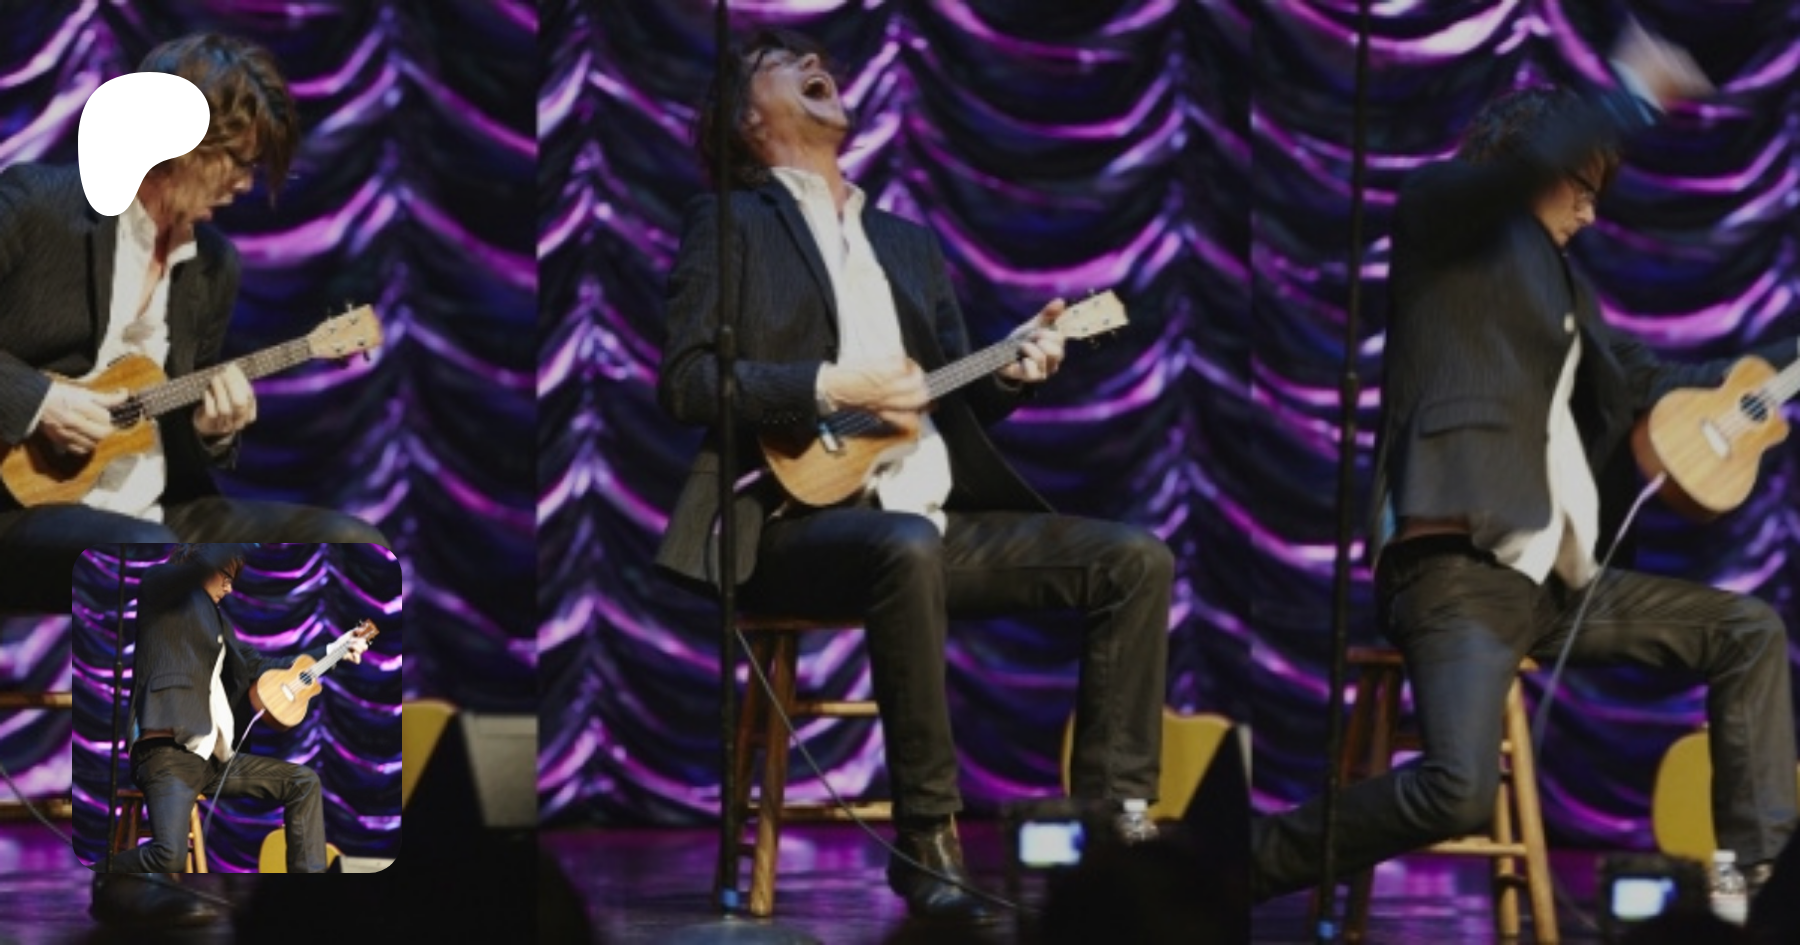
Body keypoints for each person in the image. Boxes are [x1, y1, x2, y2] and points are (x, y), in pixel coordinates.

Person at [1251, 22, 1800, 903]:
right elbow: (1510, 178)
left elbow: (1663, 384)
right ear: (1541, 162)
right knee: (1456, 789)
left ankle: (1758, 873)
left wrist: (1790, 362)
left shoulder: (1570, 292)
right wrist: (1628, 97)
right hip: (1456, 570)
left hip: (1554, 586)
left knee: (1747, 629)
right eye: (1583, 188)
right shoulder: (1443, 210)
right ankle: (1235, 866)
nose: (1590, 214)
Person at [656, 29, 1173, 923]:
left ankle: (1111, 826)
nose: (816, 65)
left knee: (1135, 558)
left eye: (819, 59)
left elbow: (947, 398)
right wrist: (827, 386)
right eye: (782, 63)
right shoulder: (732, 223)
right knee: (902, 547)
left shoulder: (906, 242)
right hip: (788, 525)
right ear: (748, 120)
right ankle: (929, 838)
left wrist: (1013, 369)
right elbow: (689, 382)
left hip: (925, 517)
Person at [0, 33, 385, 614]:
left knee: (352, 549)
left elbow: (163, 425)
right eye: (237, 161)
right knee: (152, 555)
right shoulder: (38, 206)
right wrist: (40, 400)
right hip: (18, 509)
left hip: (158, 508)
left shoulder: (213, 266)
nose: (245, 184)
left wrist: (211, 430)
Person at [89, 544, 369, 927]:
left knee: (302, 782)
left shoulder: (222, 628)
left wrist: (335, 650)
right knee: (169, 854)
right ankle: (107, 874)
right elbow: (185, 570)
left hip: (214, 761)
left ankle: (309, 895)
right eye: (227, 576)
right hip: (168, 752)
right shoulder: (162, 589)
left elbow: (273, 668)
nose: (230, 588)